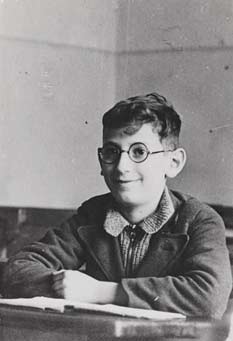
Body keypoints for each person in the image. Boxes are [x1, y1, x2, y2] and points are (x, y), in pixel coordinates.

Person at [2, 92, 232, 318]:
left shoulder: (198, 220)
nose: (122, 166)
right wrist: (69, 286)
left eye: (139, 152)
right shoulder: (92, 214)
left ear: (173, 162)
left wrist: (101, 292)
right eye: (112, 152)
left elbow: (208, 296)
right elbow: (17, 270)